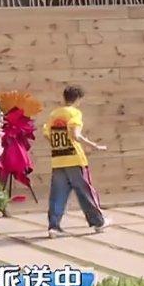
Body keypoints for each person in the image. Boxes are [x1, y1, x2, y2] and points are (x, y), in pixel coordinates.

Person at [43, 85, 112, 238]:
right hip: (75, 158)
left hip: (58, 159)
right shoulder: (74, 113)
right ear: (78, 99)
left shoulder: (54, 114)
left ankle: (54, 227)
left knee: (57, 195)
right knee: (86, 192)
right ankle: (98, 222)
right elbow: (75, 134)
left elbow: (47, 134)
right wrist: (94, 146)